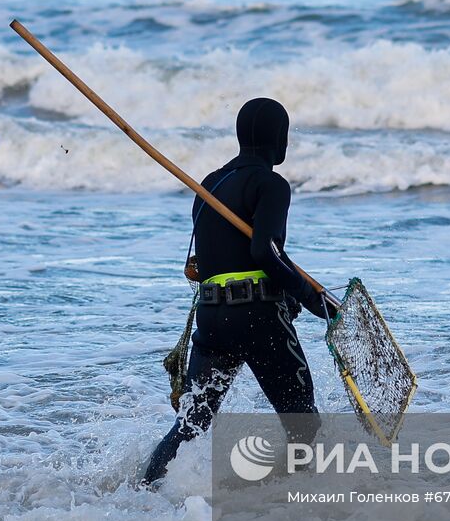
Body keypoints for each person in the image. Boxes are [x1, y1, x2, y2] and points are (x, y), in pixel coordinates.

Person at [141, 98, 333, 486]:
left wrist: (295, 295)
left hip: (212, 318)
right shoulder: (272, 184)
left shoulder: (209, 185)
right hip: (257, 315)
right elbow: (264, 252)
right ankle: (289, 506)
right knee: (303, 425)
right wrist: (309, 298)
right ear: (279, 139)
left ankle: (142, 493)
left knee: (190, 425)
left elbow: (223, 262)